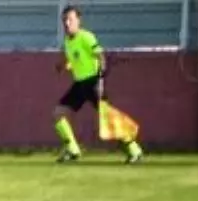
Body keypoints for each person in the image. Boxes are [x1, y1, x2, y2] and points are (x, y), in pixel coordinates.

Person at [53, 5, 144, 164]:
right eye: (65, 20)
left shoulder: (86, 37)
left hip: (93, 83)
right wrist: (62, 65)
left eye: (71, 19)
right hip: (80, 85)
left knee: (109, 120)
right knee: (58, 113)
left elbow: (101, 57)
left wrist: (100, 80)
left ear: (78, 21)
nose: (67, 23)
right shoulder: (67, 41)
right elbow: (71, 59)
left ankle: (134, 149)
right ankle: (73, 149)